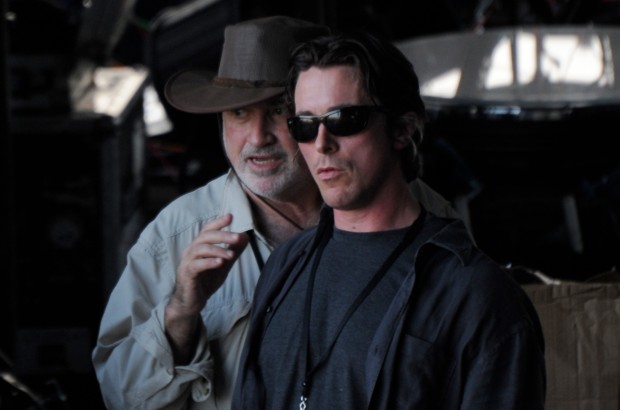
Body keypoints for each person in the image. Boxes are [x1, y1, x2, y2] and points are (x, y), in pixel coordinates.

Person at [92, 16, 460, 410]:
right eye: (238, 113)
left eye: (279, 110)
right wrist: (181, 310)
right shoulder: (176, 234)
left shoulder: (420, 213)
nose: (257, 137)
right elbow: (119, 397)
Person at [232, 31, 546, 409]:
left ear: (402, 129)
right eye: (305, 125)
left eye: (344, 119)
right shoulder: (285, 266)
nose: (321, 143)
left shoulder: (477, 294)